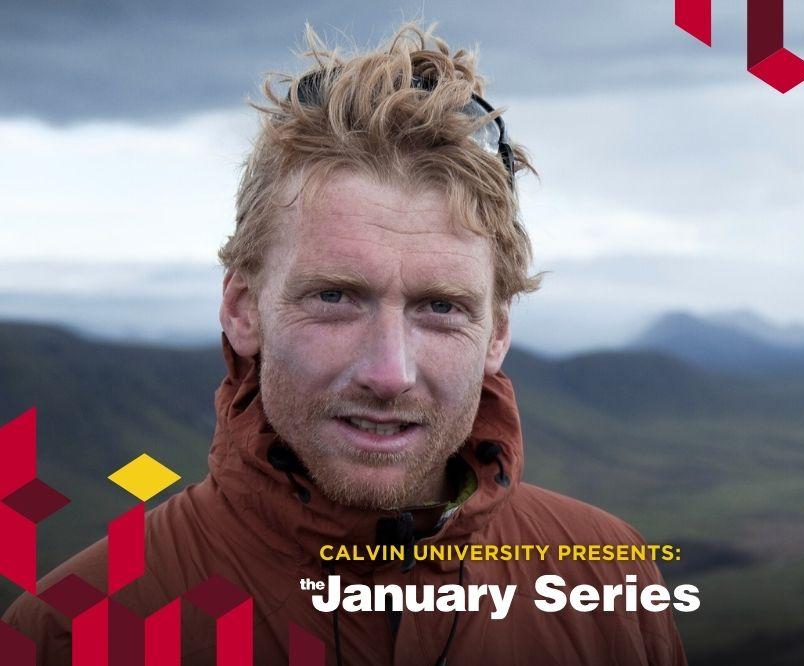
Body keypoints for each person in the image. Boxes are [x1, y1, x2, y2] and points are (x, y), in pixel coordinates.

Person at [3, 23, 687, 665]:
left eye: (441, 307)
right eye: (335, 297)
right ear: (243, 309)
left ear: (497, 333)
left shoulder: (607, 578)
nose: (388, 373)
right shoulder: (75, 630)